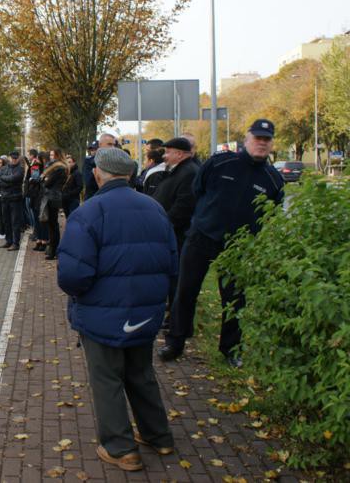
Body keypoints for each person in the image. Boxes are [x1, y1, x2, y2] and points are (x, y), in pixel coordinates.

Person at [58, 147, 178, 472]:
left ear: (98, 173)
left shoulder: (90, 212)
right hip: (145, 312)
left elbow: (72, 274)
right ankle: (159, 436)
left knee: (107, 379)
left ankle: (121, 448)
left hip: (103, 314)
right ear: (129, 174)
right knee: (141, 374)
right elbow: (172, 262)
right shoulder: (154, 208)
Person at [159, 120, 285, 367]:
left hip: (239, 247)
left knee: (235, 300)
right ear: (246, 139)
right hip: (202, 237)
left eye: (266, 140)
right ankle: (175, 342)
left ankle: (230, 350)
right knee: (185, 291)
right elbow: (199, 190)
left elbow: (271, 214)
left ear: (271, 144)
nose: (261, 143)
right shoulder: (220, 163)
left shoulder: (273, 179)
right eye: (257, 138)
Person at [151, 137, 199, 253]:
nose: (164, 156)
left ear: (179, 154)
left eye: (167, 152)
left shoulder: (189, 172)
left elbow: (184, 207)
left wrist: (164, 225)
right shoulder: (180, 170)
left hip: (178, 236)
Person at [0, 151, 25, 251]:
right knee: (6, 221)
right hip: (5, 198)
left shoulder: (20, 169)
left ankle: (15, 243)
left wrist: (4, 180)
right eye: (12, 158)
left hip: (15, 198)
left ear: (18, 158)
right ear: (9, 158)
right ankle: (8, 241)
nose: (14, 160)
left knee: (15, 222)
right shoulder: (4, 168)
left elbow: (14, 179)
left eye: (15, 158)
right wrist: (8, 182)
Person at [40, 149, 68, 260]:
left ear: (57, 156)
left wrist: (44, 179)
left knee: (53, 225)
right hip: (53, 196)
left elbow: (47, 183)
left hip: (52, 198)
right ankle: (53, 249)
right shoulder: (59, 168)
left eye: (53, 155)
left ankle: (54, 250)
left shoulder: (58, 168)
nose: (51, 157)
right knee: (52, 225)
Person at [84, 134, 117, 199]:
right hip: (94, 198)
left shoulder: (117, 160)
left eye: (114, 145)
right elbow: (88, 182)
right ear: (100, 145)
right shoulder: (89, 162)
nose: (113, 147)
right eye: (109, 144)